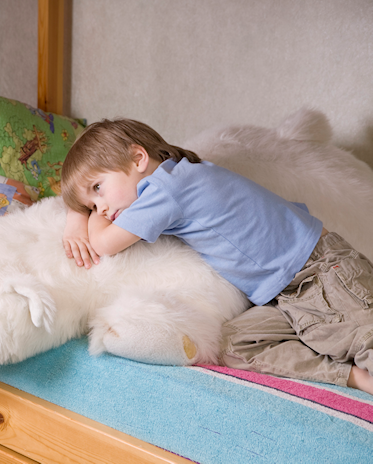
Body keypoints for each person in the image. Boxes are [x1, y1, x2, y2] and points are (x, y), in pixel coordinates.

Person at [60, 117, 373, 395]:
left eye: (98, 188)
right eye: (91, 206)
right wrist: (83, 203)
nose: (99, 210)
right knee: (234, 346)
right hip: (286, 293)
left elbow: (103, 243)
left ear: (138, 157)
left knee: (365, 339)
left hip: (320, 271)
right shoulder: (177, 178)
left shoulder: (166, 188)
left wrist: (76, 217)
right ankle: (353, 377)